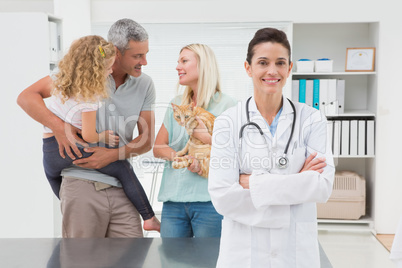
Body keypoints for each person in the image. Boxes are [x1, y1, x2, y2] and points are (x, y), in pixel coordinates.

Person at [17, 19, 157, 238]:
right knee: (82, 259)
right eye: (137, 56)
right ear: (116, 53)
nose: (144, 62)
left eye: (145, 54)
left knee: (132, 257)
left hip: (122, 188)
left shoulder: (145, 84)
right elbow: (26, 97)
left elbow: (146, 141)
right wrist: (60, 127)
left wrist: (112, 155)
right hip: (81, 182)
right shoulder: (81, 76)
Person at [208, 27, 335, 267]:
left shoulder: (312, 119)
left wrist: (253, 183)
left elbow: (322, 186)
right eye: (263, 62)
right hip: (243, 253)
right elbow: (223, 195)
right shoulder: (228, 122)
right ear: (248, 68)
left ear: (289, 68)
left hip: (295, 252)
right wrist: (297, 184)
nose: (272, 71)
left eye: (280, 63)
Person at [153, 43, 237, 237]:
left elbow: (234, 151)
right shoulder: (177, 104)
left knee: (206, 262)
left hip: (210, 202)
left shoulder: (228, 104)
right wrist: (181, 158)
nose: (177, 67)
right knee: (171, 263)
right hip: (173, 203)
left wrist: (203, 136)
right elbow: (158, 147)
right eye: (178, 61)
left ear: (203, 65)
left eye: (184, 61)